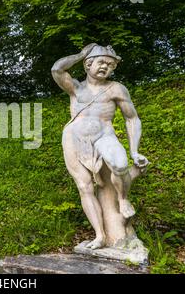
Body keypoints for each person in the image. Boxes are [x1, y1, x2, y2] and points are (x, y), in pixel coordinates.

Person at [51, 44, 149, 249]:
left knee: (120, 165)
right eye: (101, 62)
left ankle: (122, 199)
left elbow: (132, 119)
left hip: (104, 135)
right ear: (88, 64)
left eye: (110, 64)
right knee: (84, 186)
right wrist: (80, 54)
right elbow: (57, 69)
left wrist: (134, 150)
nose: (105, 67)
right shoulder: (75, 87)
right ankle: (100, 236)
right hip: (74, 137)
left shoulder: (116, 88)